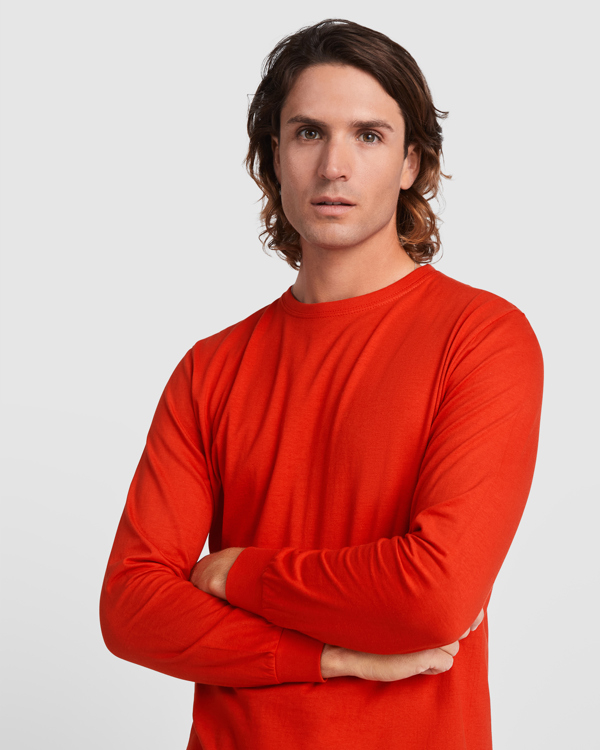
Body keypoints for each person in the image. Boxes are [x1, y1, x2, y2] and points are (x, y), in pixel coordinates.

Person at [100, 18, 544, 750]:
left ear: (412, 162)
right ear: (274, 156)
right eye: (309, 133)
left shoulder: (481, 337)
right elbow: (131, 609)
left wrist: (239, 574)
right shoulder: (210, 367)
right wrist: (331, 658)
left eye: (368, 135)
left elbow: (434, 595)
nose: (335, 166)